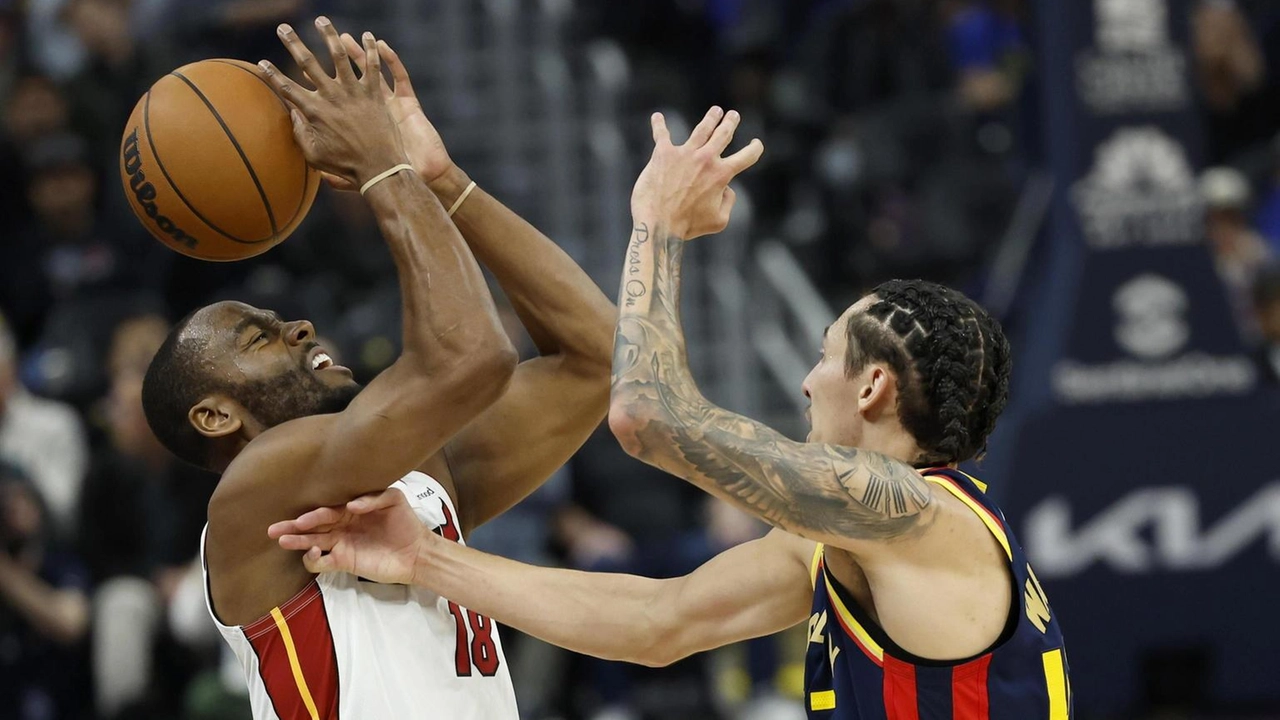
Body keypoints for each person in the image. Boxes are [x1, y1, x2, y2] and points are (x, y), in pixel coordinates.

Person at [272, 107, 1073, 719]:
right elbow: (658, 622)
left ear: (871, 388)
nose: (805, 380)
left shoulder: (907, 515)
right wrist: (425, 561)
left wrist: (657, 224)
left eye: (825, 354)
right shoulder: (849, 536)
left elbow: (647, 419)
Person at [142, 18, 613, 719]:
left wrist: (441, 180)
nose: (298, 325)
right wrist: (381, 168)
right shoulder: (256, 498)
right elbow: (473, 357)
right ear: (216, 415)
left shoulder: (420, 479)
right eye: (257, 336)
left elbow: (597, 361)